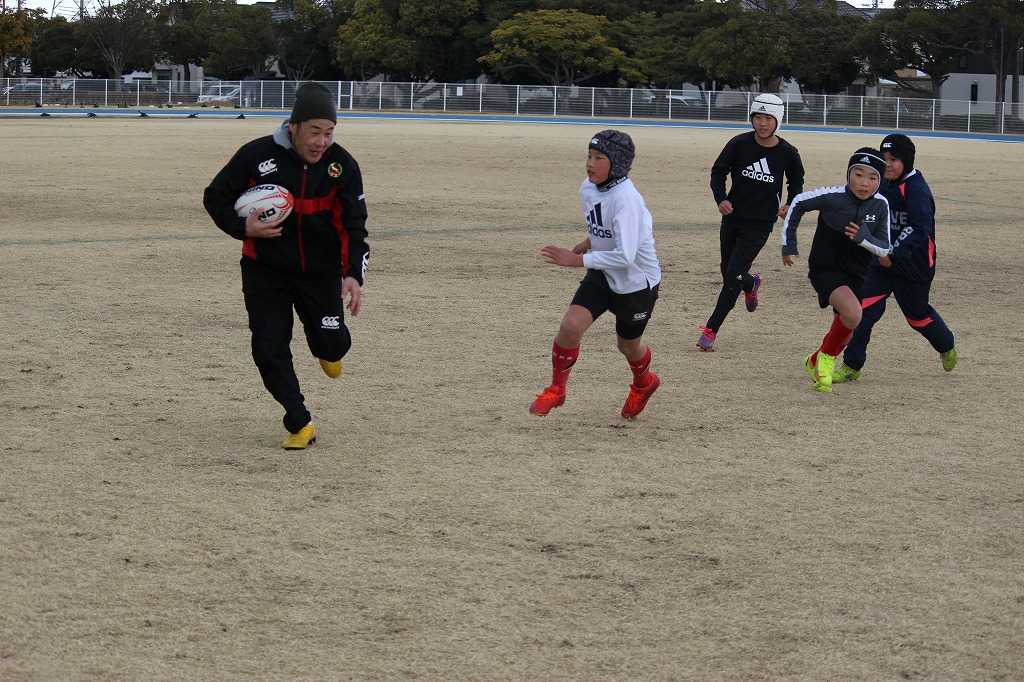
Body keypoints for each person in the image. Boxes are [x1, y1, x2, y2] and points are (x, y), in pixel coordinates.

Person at [203, 82, 369, 449]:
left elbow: (354, 225)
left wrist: (353, 274)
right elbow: (215, 197)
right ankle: (299, 420)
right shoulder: (256, 155)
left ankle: (328, 350)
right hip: (265, 270)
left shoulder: (342, 166)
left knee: (332, 345)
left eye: (329, 132)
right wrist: (243, 228)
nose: (321, 142)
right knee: (268, 347)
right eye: (314, 131)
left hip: (320, 273)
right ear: (293, 126)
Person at [529, 130, 662, 419]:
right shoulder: (588, 188)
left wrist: (577, 260)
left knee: (628, 346)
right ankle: (557, 389)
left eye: (599, 158)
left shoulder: (627, 200)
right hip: (603, 272)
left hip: (635, 283)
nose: (590, 163)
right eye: (589, 155)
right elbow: (604, 223)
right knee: (570, 326)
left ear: (618, 163)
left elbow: (626, 256)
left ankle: (644, 383)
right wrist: (590, 241)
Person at [833, 134, 957, 383]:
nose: (887, 164)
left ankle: (946, 345)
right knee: (862, 312)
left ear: (907, 161)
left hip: (913, 264)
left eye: (894, 160)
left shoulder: (916, 189)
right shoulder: (880, 183)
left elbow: (919, 229)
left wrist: (893, 254)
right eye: (884, 158)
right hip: (880, 263)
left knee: (917, 317)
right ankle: (852, 365)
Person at [698, 93, 805, 351]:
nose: (762, 123)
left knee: (731, 275)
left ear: (778, 120)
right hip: (732, 218)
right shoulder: (739, 143)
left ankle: (711, 330)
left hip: (760, 223)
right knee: (729, 272)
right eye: (758, 117)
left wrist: (789, 204)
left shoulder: (788, 153)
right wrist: (721, 199)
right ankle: (750, 282)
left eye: (768, 118)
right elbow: (718, 172)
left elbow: (796, 182)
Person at [781, 148, 892, 393]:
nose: (864, 183)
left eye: (872, 177)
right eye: (858, 175)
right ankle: (826, 362)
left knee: (847, 329)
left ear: (880, 180)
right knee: (853, 314)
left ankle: (814, 360)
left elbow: (884, 248)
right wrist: (788, 244)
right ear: (848, 174)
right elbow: (798, 203)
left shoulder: (881, 205)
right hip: (825, 267)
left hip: (857, 273)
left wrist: (864, 238)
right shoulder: (832, 197)